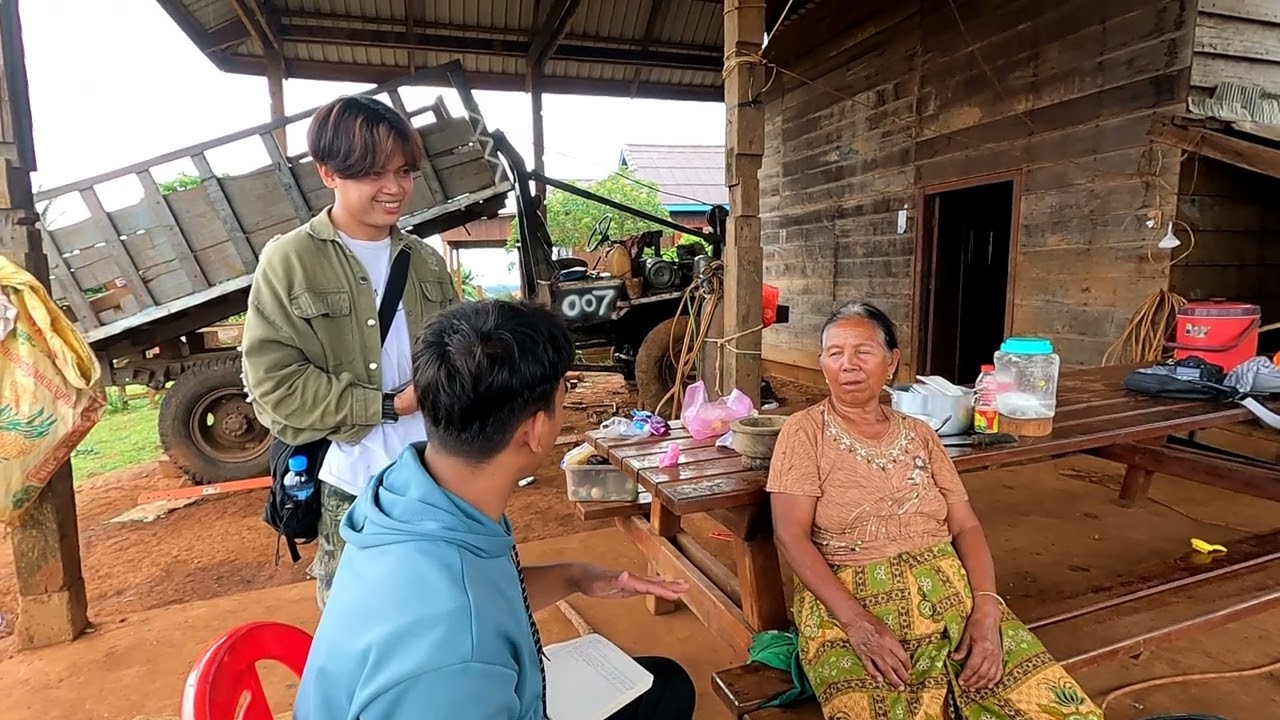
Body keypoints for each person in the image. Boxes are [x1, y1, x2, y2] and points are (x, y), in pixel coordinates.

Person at [293, 299, 697, 720]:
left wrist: (575, 577)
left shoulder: (412, 493)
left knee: (664, 684)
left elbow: (481, 591)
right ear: (536, 431)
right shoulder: (458, 658)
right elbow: (462, 620)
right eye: (564, 396)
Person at [766, 301, 1102, 720]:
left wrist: (986, 610)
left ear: (891, 363)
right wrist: (858, 625)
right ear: (823, 364)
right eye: (835, 353)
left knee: (1061, 713)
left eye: (863, 351)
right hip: (850, 603)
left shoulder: (920, 433)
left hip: (950, 594)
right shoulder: (804, 432)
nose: (848, 364)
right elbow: (790, 535)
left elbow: (965, 525)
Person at [240, 94, 458, 609]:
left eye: (404, 171)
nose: (394, 188)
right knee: (356, 631)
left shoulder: (424, 260)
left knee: (445, 613)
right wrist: (389, 406)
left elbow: (455, 352)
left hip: (438, 476)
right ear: (328, 173)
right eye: (373, 173)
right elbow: (274, 386)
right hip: (353, 487)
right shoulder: (288, 260)